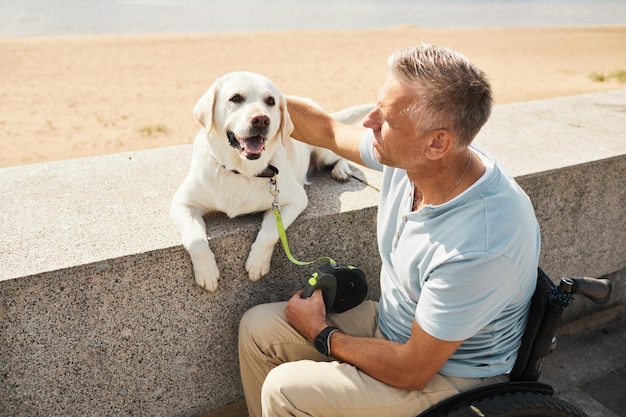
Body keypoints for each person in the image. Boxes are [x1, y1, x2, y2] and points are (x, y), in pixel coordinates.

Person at [238, 44, 541, 417]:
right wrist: (253, 100)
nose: (369, 122)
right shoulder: (416, 158)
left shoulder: (479, 242)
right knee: (257, 328)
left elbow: (412, 369)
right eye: (377, 106)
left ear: (437, 143)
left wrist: (322, 333)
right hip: (394, 326)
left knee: (285, 392)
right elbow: (328, 130)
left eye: (387, 119)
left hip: (451, 377)